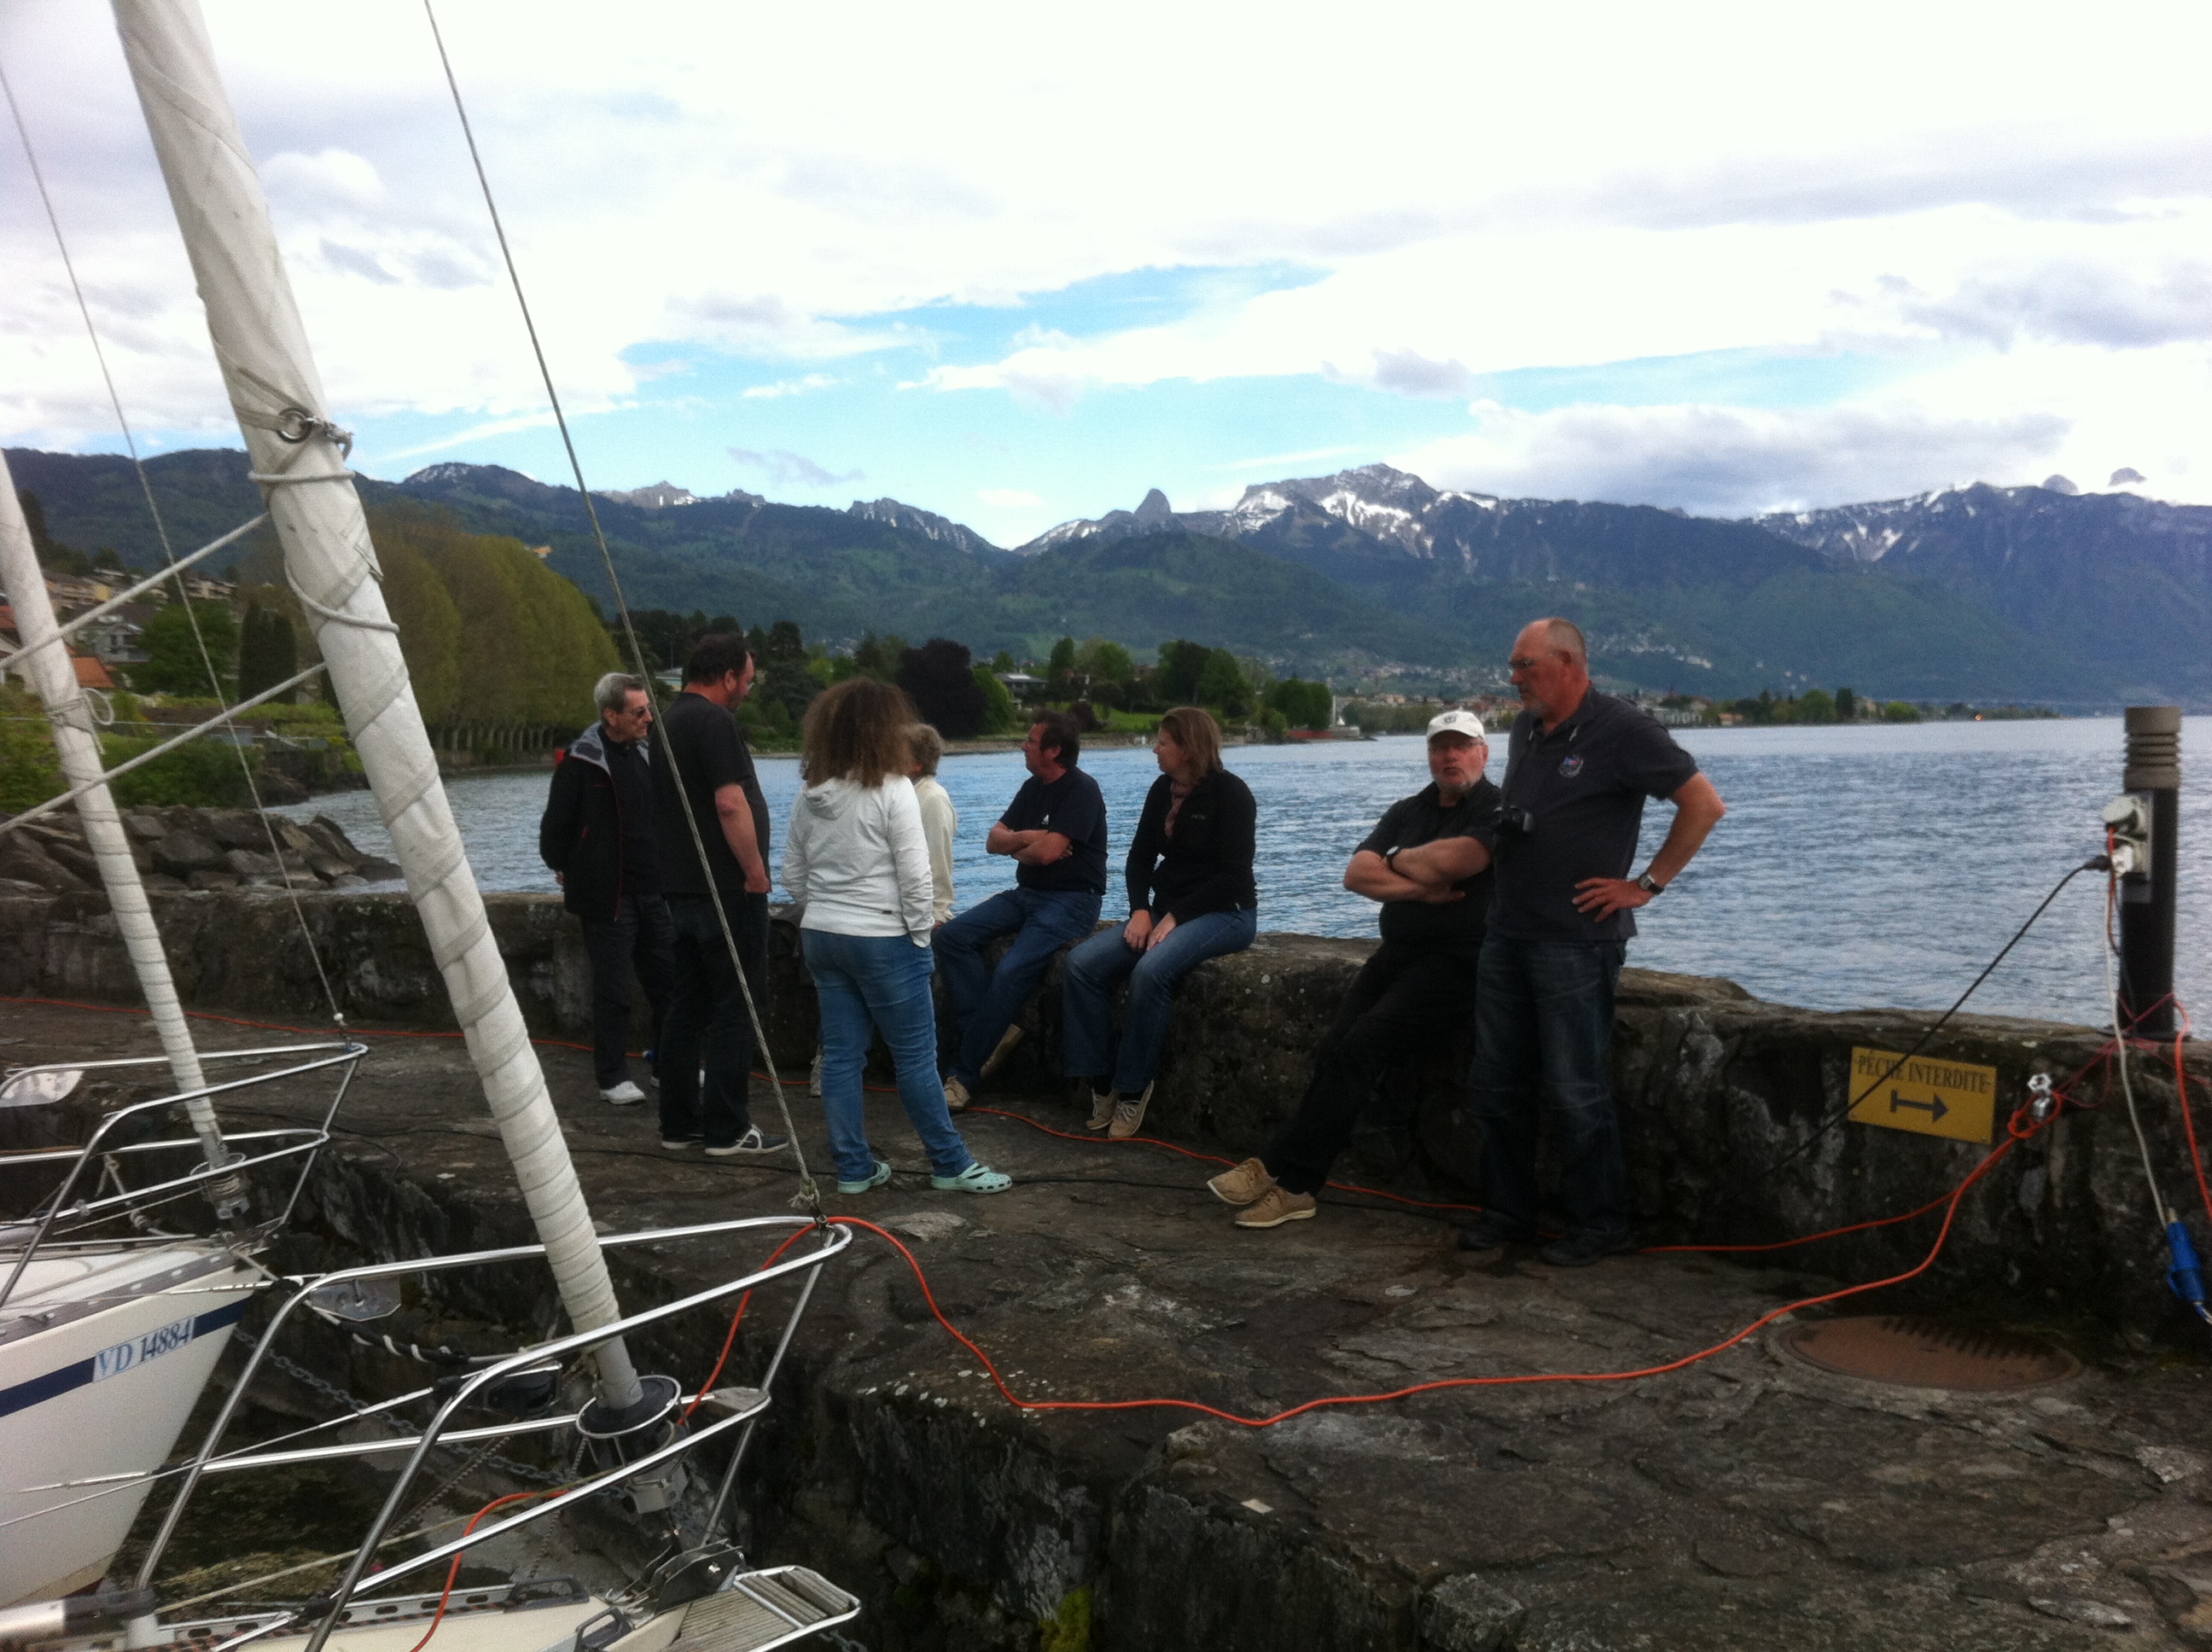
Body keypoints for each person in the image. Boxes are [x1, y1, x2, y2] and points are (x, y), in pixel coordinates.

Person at [1458, 617, 1726, 1265]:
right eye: (1513, 666)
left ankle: (1600, 1223)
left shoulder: (1625, 729)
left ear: (1569, 665)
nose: (1513, 679)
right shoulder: (1526, 728)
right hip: (1507, 931)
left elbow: (1704, 806)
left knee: (1575, 1088)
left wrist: (1646, 885)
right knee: (1496, 1084)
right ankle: (1508, 1214)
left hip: (1576, 941)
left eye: (1525, 666)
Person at [1207, 709, 1498, 1230]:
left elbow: (1459, 862)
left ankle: (1289, 1178)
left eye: (1461, 746)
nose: (1450, 756)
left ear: (1483, 752)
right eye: (1440, 747)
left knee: (1362, 1046)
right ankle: (1285, 1174)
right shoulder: (1409, 808)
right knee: (1335, 1049)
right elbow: (1357, 874)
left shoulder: (1496, 809)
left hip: (1457, 960)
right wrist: (1420, 888)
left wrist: (1396, 858)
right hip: (1398, 952)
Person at [783, 681, 1011, 1195]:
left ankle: (853, 1169)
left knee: (842, 1056)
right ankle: (950, 1163)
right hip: (884, 937)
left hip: (822, 935)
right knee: (915, 1057)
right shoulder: (894, 789)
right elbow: (917, 879)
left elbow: (793, 874)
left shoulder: (809, 792)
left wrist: (828, 907)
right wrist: (919, 939)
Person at [1062, 707, 1256, 1139]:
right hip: (1166, 909)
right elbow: (1139, 858)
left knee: (1151, 971)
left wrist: (1174, 917)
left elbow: (1234, 876)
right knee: (1081, 965)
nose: (1155, 749)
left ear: (1187, 748)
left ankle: (1134, 1088)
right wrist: (1140, 910)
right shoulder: (1161, 790)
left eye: (1163, 742)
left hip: (1227, 913)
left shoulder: (1232, 794)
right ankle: (1102, 1080)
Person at [650, 633, 788, 1158]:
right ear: (727, 676)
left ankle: (678, 1123)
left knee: (687, 1004)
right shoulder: (715, 722)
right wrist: (755, 872)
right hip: (725, 888)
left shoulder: (665, 722)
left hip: (679, 887)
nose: (748, 691)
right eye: (747, 681)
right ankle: (727, 1129)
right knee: (737, 1004)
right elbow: (730, 804)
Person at [933, 710, 1107, 1108]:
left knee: (1011, 969)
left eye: (1030, 741)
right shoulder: (1033, 787)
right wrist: (1031, 838)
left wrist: (1022, 849)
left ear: (1054, 750)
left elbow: (1046, 855)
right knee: (952, 937)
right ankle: (988, 1032)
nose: (1023, 746)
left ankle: (964, 1076)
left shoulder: (1082, 790)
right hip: (1027, 894)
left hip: (1073, 900)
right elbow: (993, 841)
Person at [538, 672, 673, 1106]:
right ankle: (612, 1076)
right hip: (609, 897)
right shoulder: (580, 763)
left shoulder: (648, 755)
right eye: (639, 712)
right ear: (611, 715)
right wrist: (568, 866)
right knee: (613, 991)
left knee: (669, 983)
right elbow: (555, 830)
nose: (648, 718)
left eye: (648, 709)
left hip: (654, 890)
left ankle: (669, 1066)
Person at [908, 723, 958, 924]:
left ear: (917, 764)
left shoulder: (933, 798)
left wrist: (938, 911)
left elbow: (939, 857)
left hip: (926, 914)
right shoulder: (905, 794)